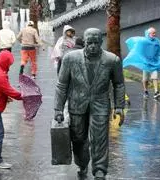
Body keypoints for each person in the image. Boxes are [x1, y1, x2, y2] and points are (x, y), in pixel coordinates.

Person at [54, 28, 125, 180]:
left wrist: (119, 106)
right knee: (78, 138)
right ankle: (82, 163)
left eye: (96, 42)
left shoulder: (112, 60)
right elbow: (62, 85)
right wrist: (58, 109)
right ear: (84, 42)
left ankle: (99, 169)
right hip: (77, 104)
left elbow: (119, 84)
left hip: (100, 105)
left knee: (100, 139)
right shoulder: (70, 58)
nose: (92, 46)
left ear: (101, 42)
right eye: (89, 42)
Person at [123, 27, 160, 99]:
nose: (155, 34)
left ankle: (156, 92)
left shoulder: (157, 41)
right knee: (145, 79)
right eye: (153, 33)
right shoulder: (144, 41)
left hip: (154, 63)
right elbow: (137, 48)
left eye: (155, 33)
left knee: (155, 77)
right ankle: (145, 91)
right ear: (149, 34)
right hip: (146, 63)